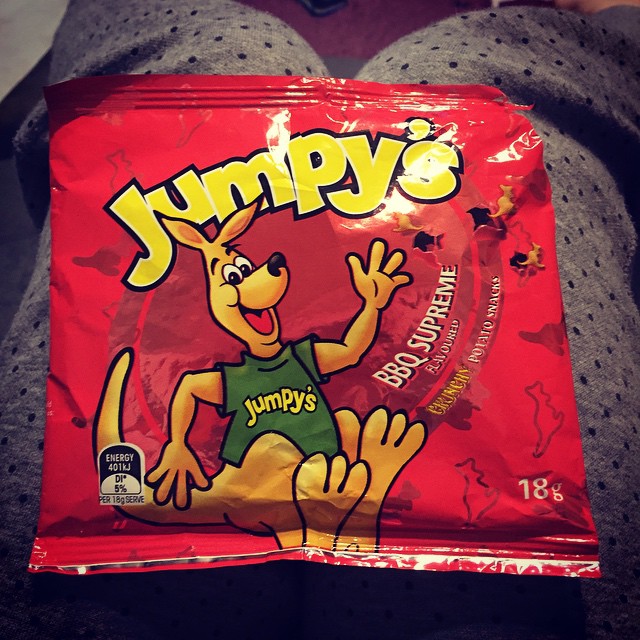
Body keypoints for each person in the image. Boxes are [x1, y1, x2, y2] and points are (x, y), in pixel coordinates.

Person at [1, 1, 638, 638]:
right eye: (236, 278)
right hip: (279, 488)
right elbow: (193, 388)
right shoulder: (236, 376)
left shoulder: (300, 358)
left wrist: (372, 304)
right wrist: (173, 447)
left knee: (220, 54)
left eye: (259, 268)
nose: (262, 280)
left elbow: (350, 351)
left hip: (300, 493)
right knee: (462, 74)